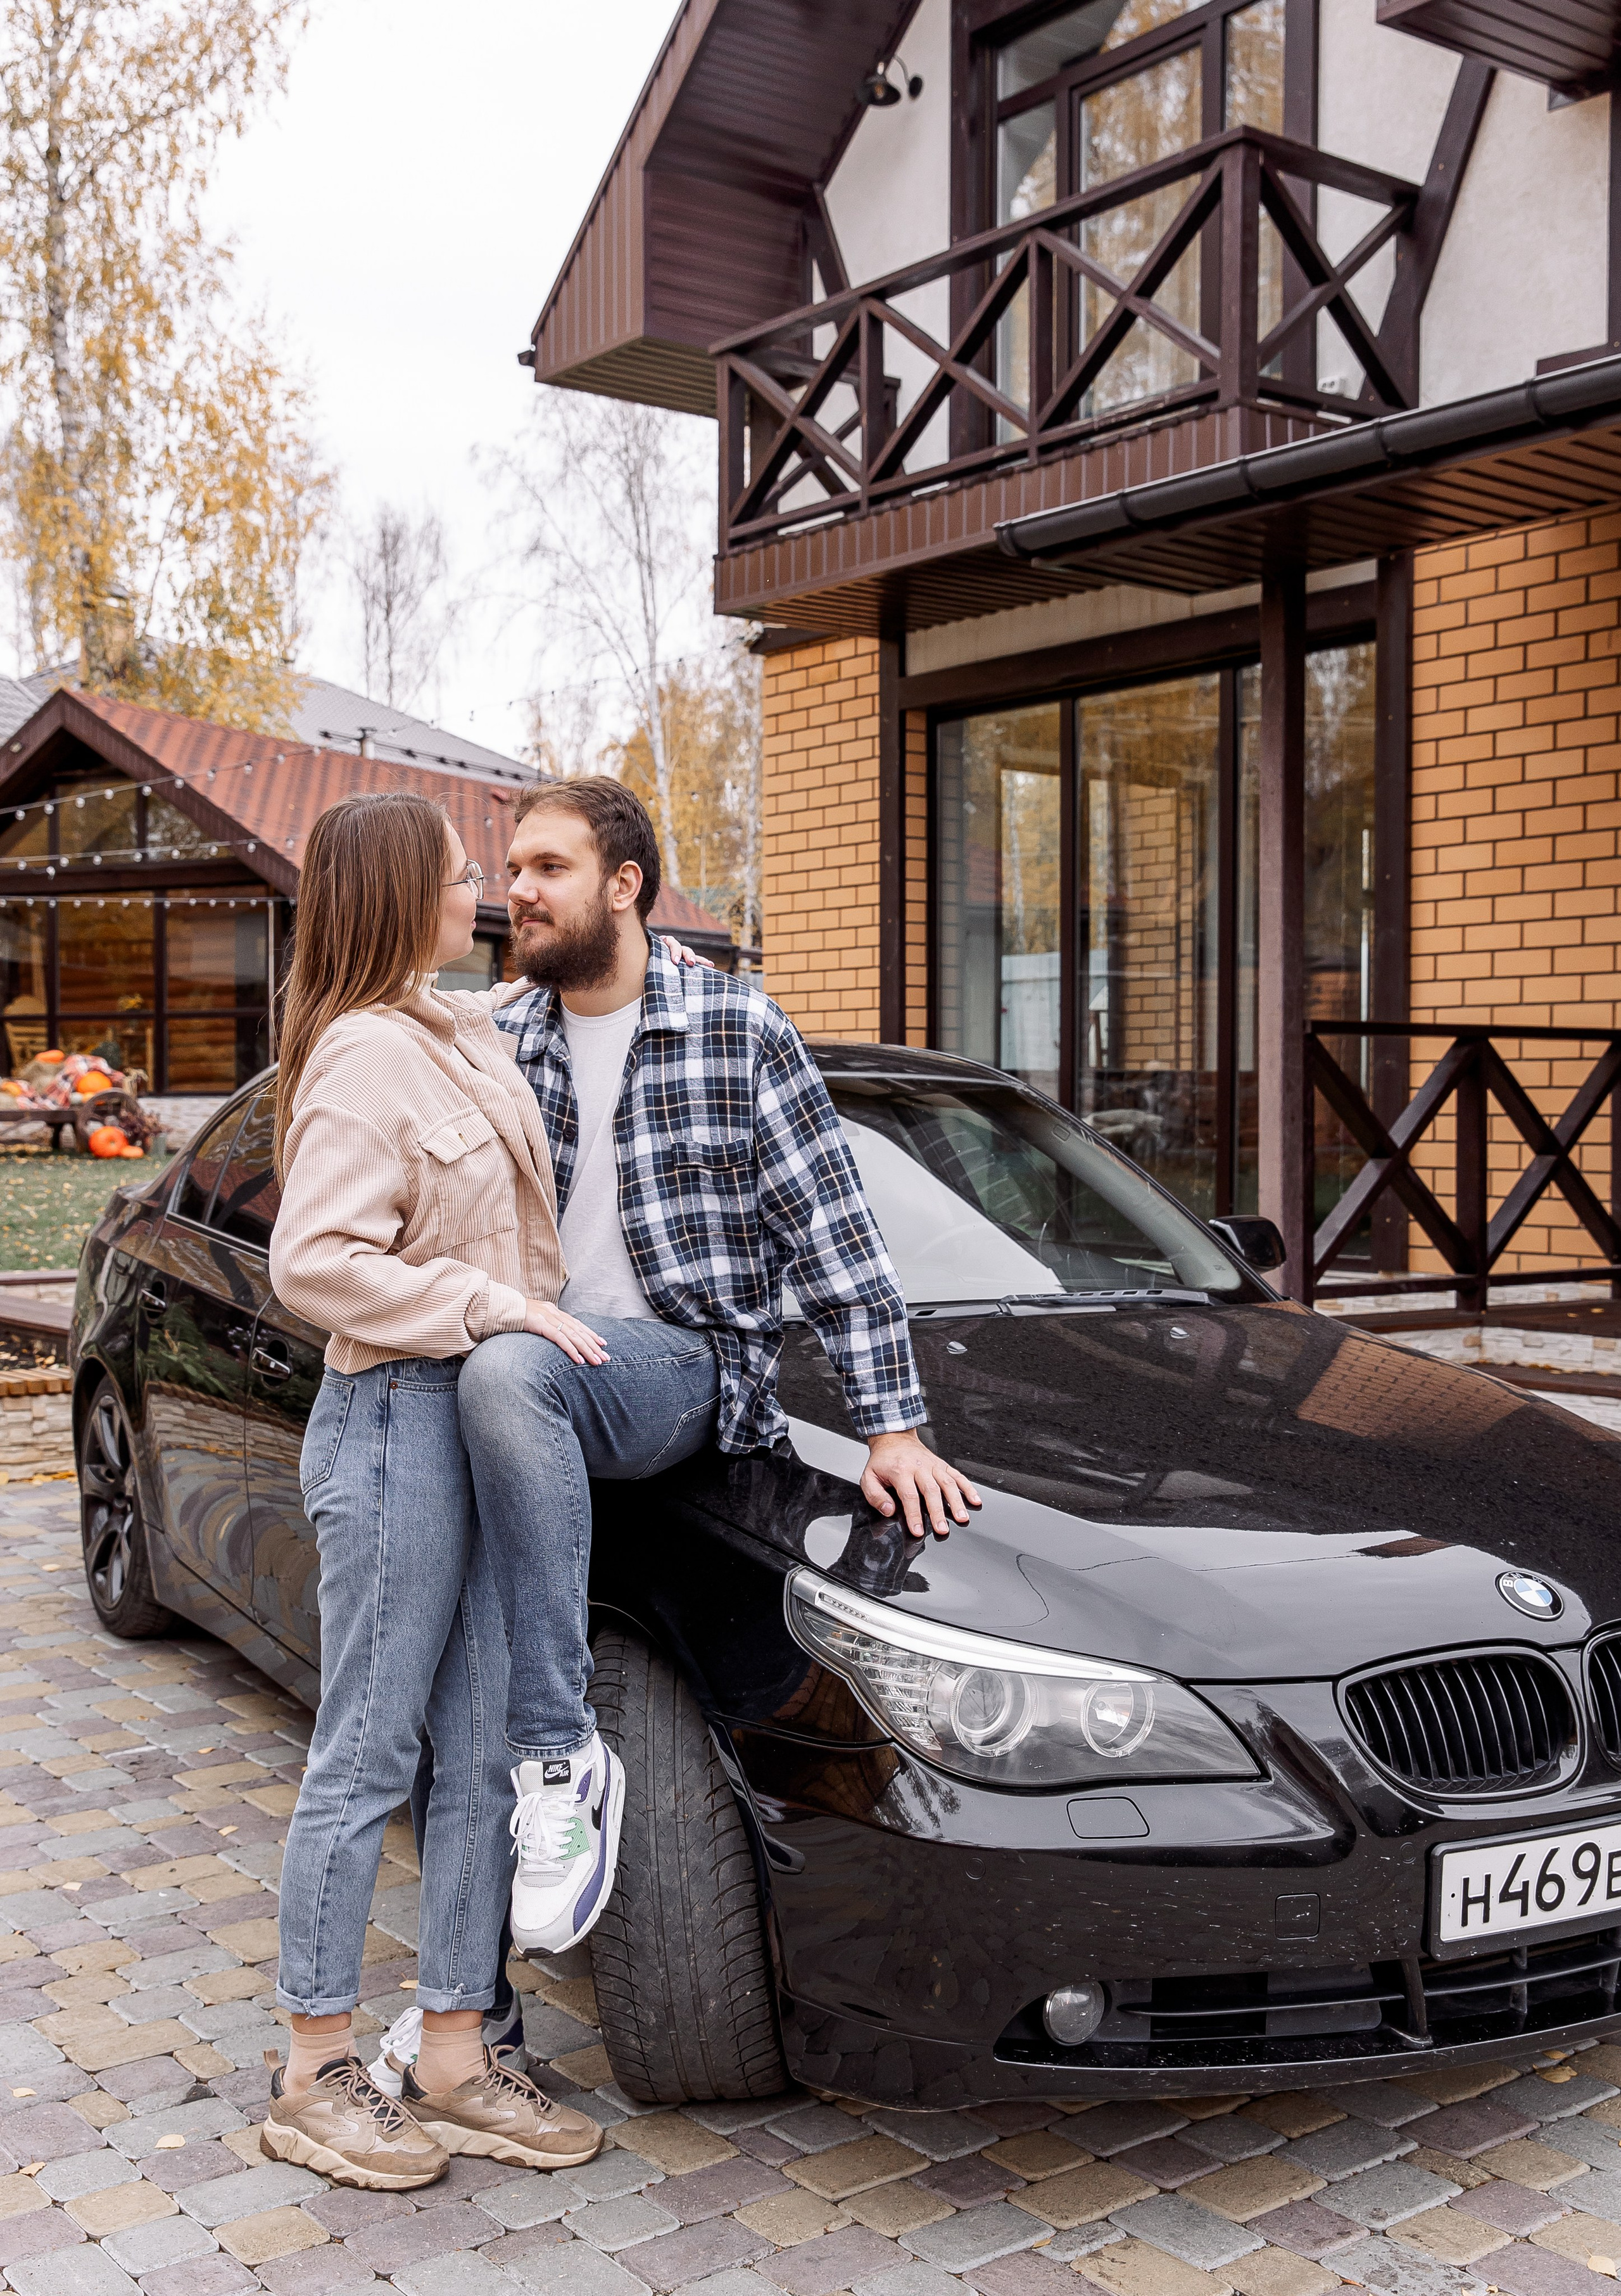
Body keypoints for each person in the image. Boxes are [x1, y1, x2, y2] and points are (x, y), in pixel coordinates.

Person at [458, 777, 981, 1963]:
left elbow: (834, 1233)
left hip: (685, 1366)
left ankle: (562, 1755)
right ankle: (466, 2006)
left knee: (504, 1376)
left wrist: (893, 1425)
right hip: (541, 1363)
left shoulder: (737, 1028)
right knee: (489, 1390)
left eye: (547, 868)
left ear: (625, 885)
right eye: (512, 868)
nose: (517, 890)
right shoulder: (504, 1034)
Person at [262, 790, 608, 2191]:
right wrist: (488, 1305)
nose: (482, 889)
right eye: (462, 871)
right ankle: (312, 2070)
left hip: (477, 1426)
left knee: (474, 1756)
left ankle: (456, 2053)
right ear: (401, 889)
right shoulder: (359, 1053)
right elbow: (314, 1260)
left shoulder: (453, 1029)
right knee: (367, 1753)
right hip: (394, 1423)